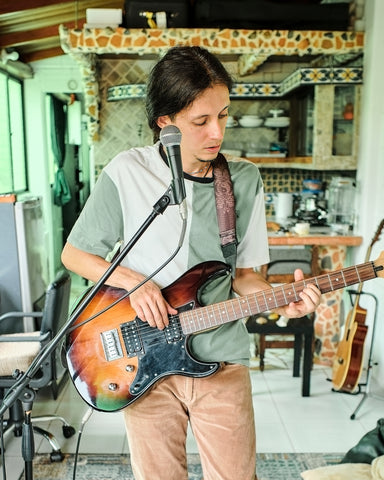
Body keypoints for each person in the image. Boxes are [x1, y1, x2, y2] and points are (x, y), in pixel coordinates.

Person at [61, 46, 321, 480]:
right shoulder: (127, 172)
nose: (216, 132)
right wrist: (133, 281)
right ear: (166, 122)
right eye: (200, 121)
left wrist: (281, 300)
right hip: (143, 361)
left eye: (223, 116)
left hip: (221, 360)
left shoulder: (242, 180)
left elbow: (243, 278)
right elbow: (75, 254)